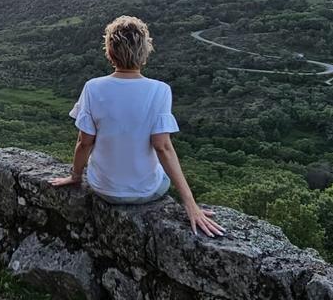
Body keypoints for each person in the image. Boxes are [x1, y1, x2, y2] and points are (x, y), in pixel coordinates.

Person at [49, 15, 225, 238]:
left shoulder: (93, 88)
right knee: (159, 171)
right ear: (144, 52)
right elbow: (163, 148)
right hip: (147, 192)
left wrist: (75, 176)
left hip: (102, 188)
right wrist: (190, 204)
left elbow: (84, 142)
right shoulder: (160, 90)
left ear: (110, 52)